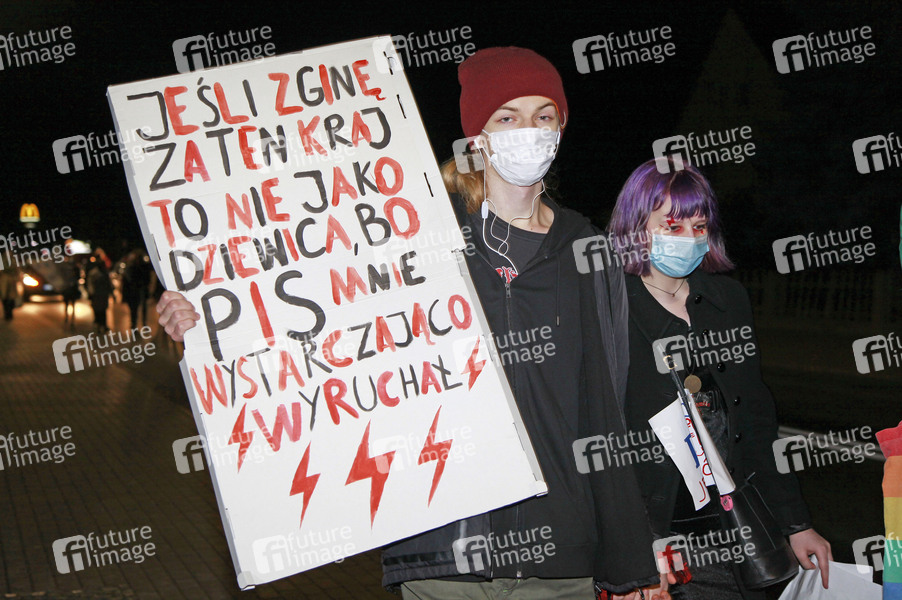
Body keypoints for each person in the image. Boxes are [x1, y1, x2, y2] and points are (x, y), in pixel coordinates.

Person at [158, 47, 661, 599]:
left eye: (544, 115)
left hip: (560, 558)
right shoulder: (414, 239)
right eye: (507, 116)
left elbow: (608, 404)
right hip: (442, 551)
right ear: (477, 136)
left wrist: (629, 561)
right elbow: (314, 323)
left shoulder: (586, 250)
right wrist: (206, 321)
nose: (529, 131)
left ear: (561, 128)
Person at [607, 158, 832, 599]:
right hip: (657, 535)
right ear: (635, 227)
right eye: (672, 226)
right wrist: (630, 552)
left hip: (736, 532)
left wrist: (796, 523)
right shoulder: (607, 307)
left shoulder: (727, 299)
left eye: (699, 226)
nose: (689, 239)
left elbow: (757, 422)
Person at [85, 255, 113, 333]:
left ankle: (103, 325)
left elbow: (108, 283)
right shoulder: (94, 273)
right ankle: (100, 325)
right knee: (99, 310)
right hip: (97, 294)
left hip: (102, 294)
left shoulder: (102, 273)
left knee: (103, 309)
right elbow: (90, 284)